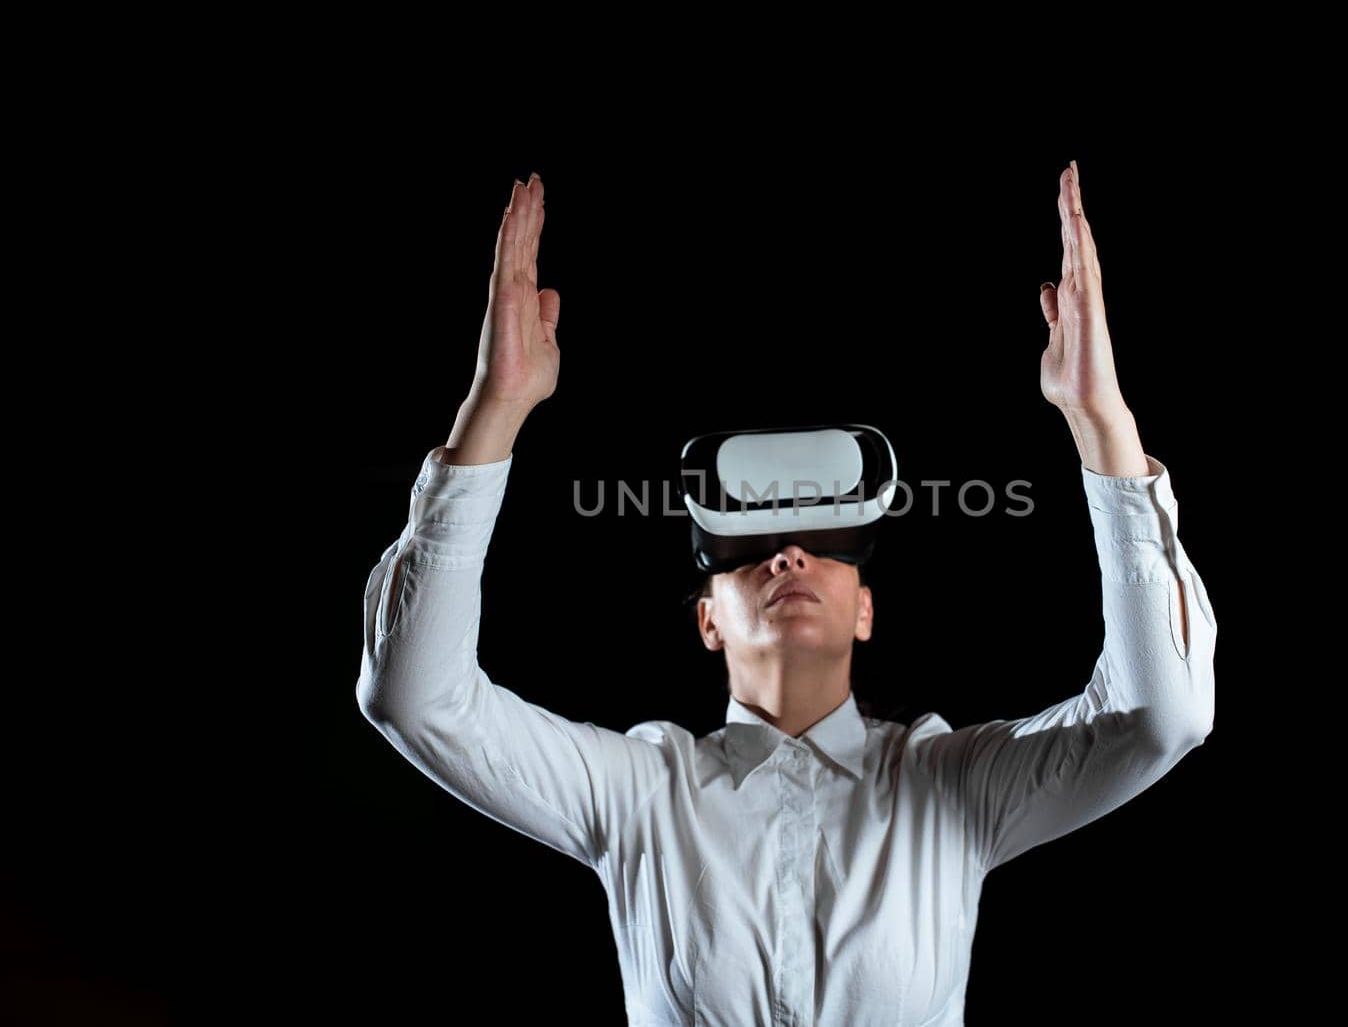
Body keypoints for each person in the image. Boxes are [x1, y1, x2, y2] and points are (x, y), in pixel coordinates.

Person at [356, 162, 1218, 1026]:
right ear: (706, 622)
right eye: (749, 549)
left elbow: (1161, 716)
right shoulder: (637, 793)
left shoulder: (952, 787)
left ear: (868, 607)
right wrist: (495, 410)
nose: (789, 556)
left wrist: (1102, 422)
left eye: (829, 542)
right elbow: (416, 698)